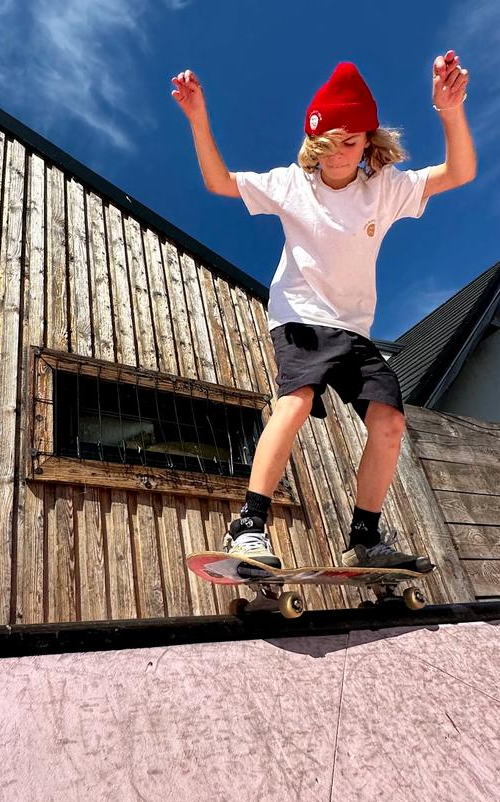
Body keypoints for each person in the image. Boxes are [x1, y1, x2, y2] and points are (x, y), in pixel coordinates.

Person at [172, 54, 476, 569]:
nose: (338, 156)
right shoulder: (293, 184)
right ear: (314, 143)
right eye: (328, 145)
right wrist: (198, 117)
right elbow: (220, 182)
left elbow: (460, 172)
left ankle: (365, 539)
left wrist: (450, 110)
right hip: (300, 318)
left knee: (390, 423)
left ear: (369, 144)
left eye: (351, 144)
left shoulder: (385, 189)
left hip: (354, 331)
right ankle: (248, 525)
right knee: (295, 402)